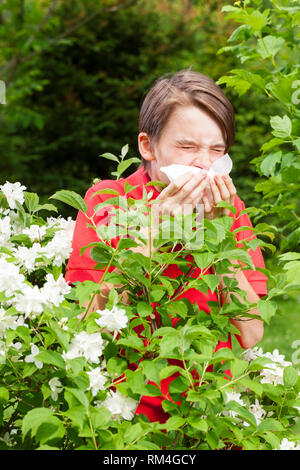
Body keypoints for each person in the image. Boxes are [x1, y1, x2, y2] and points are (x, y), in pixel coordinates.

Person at [65, 69, 268, 423]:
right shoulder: (108, 200)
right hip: (124, 416)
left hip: (207, 412)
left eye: (217, 150)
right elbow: (87, 325)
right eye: (187, 147)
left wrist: (217, 234)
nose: (203, 163)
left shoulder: (228, 208)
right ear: (148, 146)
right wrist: (151, 232)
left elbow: (251, 332)